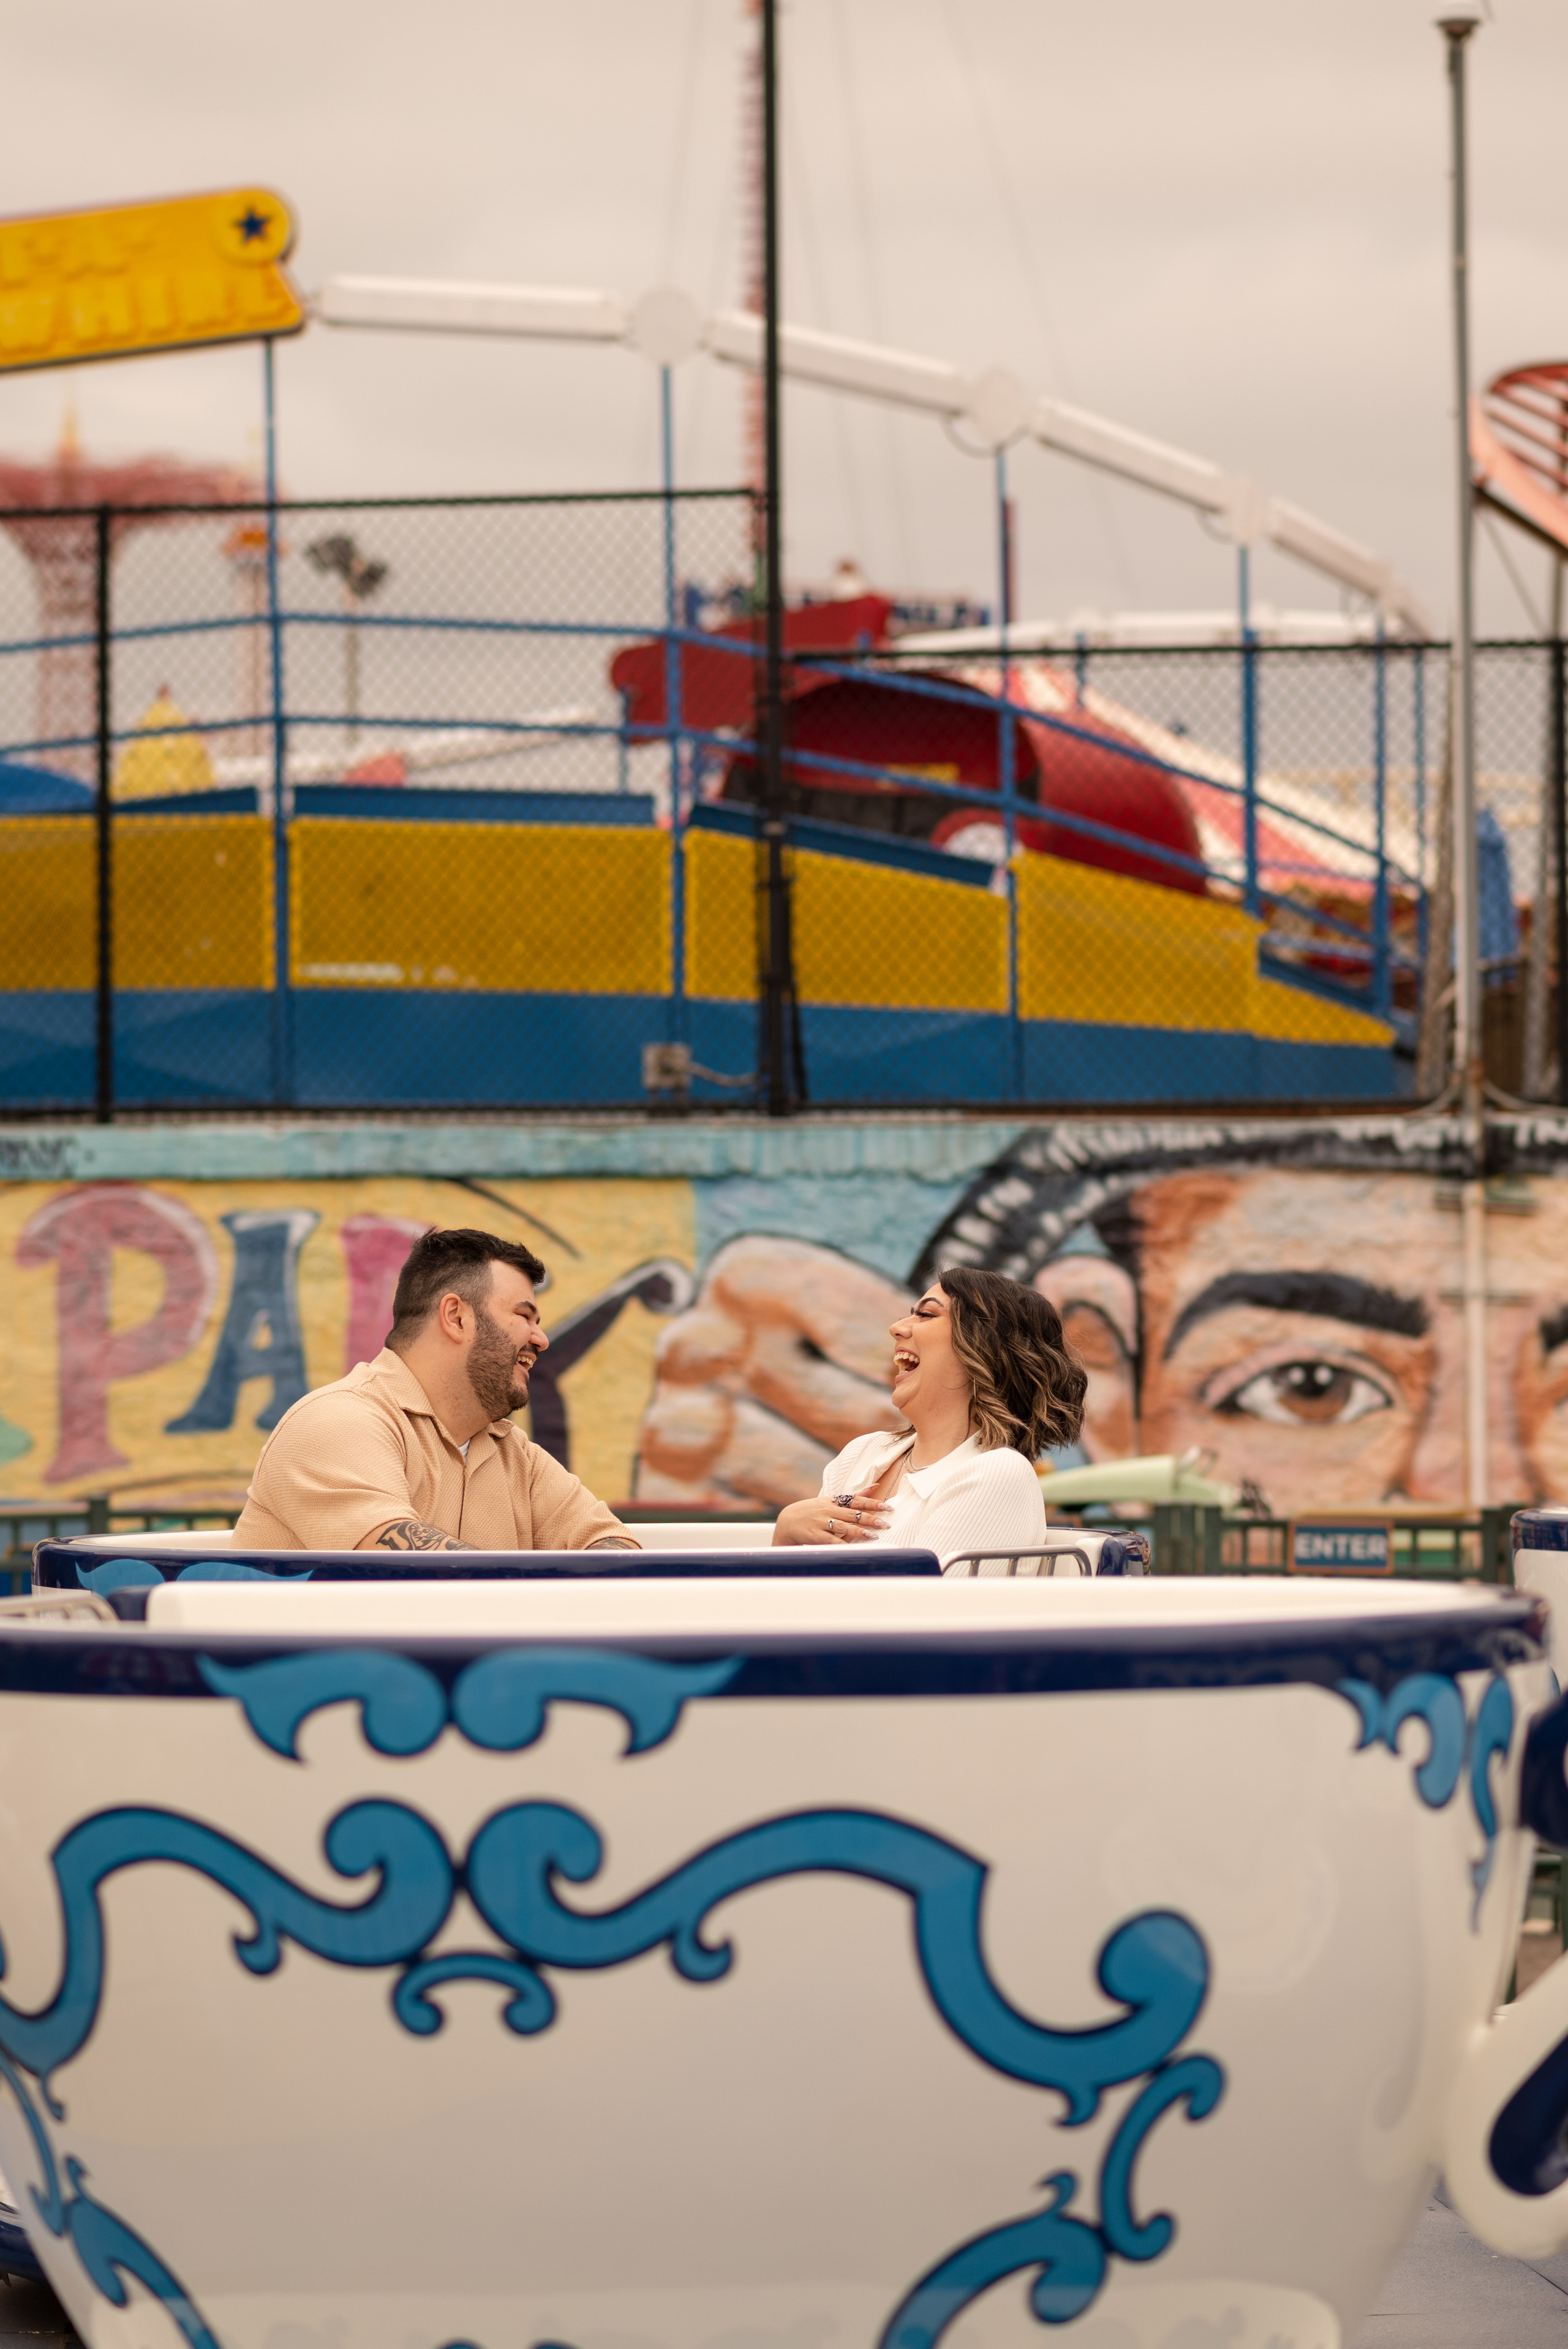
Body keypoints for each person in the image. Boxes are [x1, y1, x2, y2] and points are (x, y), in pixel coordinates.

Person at [233, 1228, 639, 1553]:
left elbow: (612, 1543)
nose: (541, 1338)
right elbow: (408, 1573)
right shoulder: (339, 1421)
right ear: (457, 1317)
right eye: (523, 1315)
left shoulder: (513, 1454)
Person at [770, 1265, 1086, 1572]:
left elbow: (918, 1613)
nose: (897, 1327)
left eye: (927, 1314)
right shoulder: (864, 1453)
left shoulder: (997, 1473)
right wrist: (785, 1533)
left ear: (985, 1348)